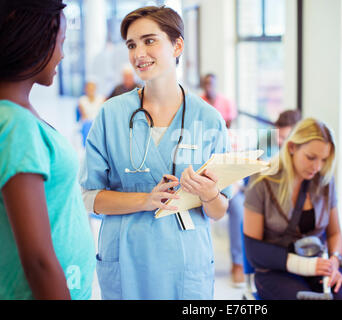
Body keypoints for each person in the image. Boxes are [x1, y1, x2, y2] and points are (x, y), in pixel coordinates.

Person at [80, 6, 231, 300]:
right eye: (132, 44)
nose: (139, 53)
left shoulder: (208, 119)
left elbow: (219, 211)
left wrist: (210, 195)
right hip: (126, 256)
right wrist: (145, 200)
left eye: (150, 41)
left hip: (185, 259)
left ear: (177, 45)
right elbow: (89, 197)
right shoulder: (112, 114)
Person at [0, 0, 95, 299]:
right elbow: (38, 260)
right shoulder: (16, 125)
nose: (63, 54)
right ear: (36, 41)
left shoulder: (18, 114)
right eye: (61, 42)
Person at [243, 118, 342, 300]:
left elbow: (335, 234)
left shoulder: (325, 181)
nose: (317, 167)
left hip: (318, 265)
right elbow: (254, 251)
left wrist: (334, 261)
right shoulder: (262, 182)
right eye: (311, 158)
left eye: (324, 159)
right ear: (292, 148)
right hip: (275, 270)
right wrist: (307, 266)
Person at [227, 109, 302, 287]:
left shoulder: (302, 158)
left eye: (284, 138)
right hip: (252, 187)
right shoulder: (268, 139)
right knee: (238, 209)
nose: (279, 141)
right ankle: (239, 263)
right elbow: (252, 166)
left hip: (277, 197)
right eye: (278, 136)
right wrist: (237, 182)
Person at [77, 81, 105, 146]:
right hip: (87, 122)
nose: (91, 90)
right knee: (88, 124)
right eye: (89, 88)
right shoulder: (82, 100)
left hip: (98, 122)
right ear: (85, 89)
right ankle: (88, 146)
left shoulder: (101, 98)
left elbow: (103, 114)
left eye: (92, 88)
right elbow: (84, 116)